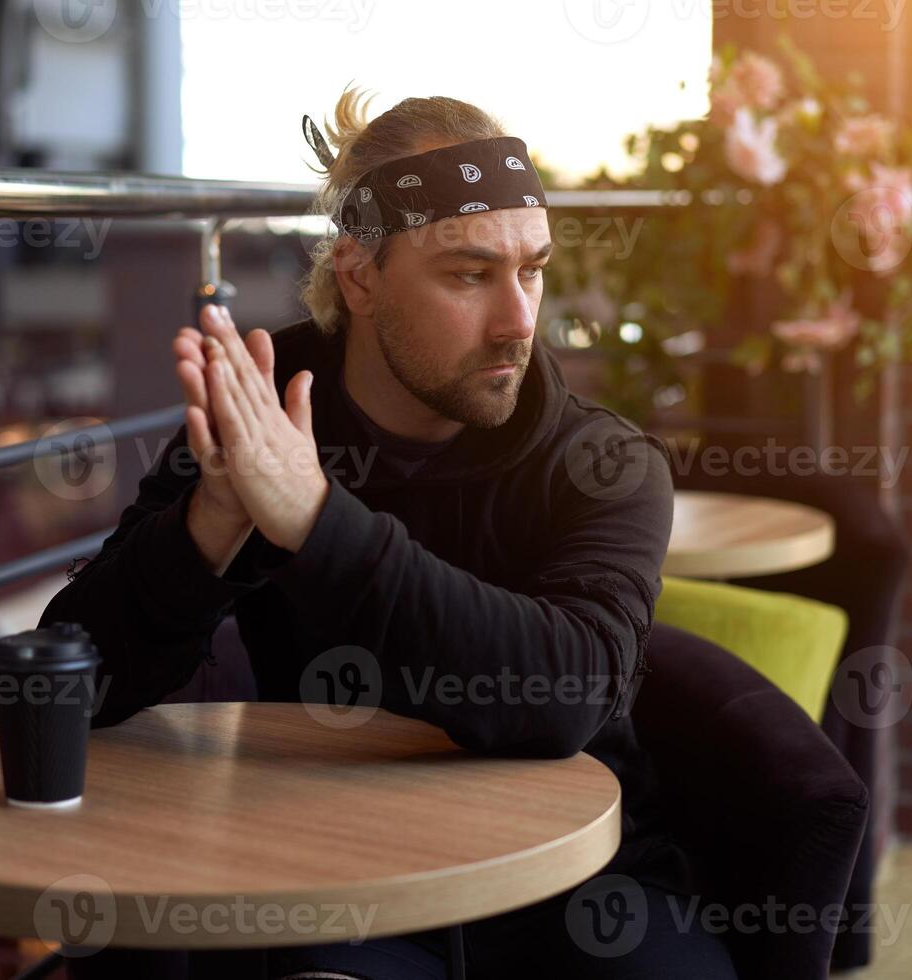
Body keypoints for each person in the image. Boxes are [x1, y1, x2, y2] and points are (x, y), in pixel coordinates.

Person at [42, 87, 737, 980]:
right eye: (469, 274)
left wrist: (315, 522)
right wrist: (209, 524)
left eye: (532, 269)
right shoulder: (270, 416)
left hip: (576, 885)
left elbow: (567, 691)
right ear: (360, 276)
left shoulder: (602, 461)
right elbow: (71, 679)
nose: (520, 320)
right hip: (342, 879)